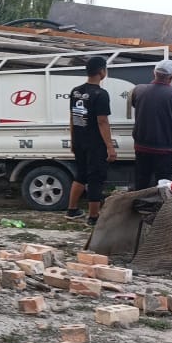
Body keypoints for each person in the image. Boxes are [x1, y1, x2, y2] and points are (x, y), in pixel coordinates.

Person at [66, 57, 116, 225]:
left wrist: (72, 140)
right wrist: (110, 147)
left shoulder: (75, 91)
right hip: (95, 143)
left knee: (81, 174)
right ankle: (94, 217)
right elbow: (102, 121)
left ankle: (72, 210)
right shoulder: (101, 94)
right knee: (96, 177)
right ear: (102, 71)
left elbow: (73, 118)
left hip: (79, 141)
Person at [130, 58, 172, 190]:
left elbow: (135, 105)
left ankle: (139, 202)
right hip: (167, 149)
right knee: (164, 185)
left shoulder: (138, 90)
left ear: (154, 72)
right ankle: (161, 203)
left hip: (142, 147)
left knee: (141, 182)